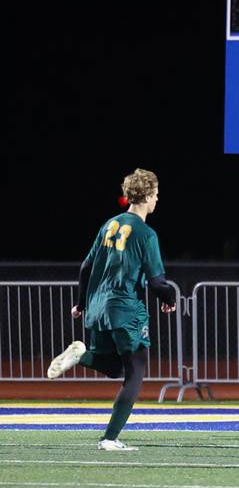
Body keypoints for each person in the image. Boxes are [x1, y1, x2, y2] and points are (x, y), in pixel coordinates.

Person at [47, 168, 176, 451]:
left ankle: (80, 355)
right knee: (135, 375)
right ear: (147, 196)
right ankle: (109, 438)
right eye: (155, 193)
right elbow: (157, 282)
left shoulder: (109, 225)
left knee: (116, 368)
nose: (157, 198)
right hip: (125, 309)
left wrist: (81, 304)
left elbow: (85, 266)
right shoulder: (146, 233)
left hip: (98, 308)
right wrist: (169, 297)